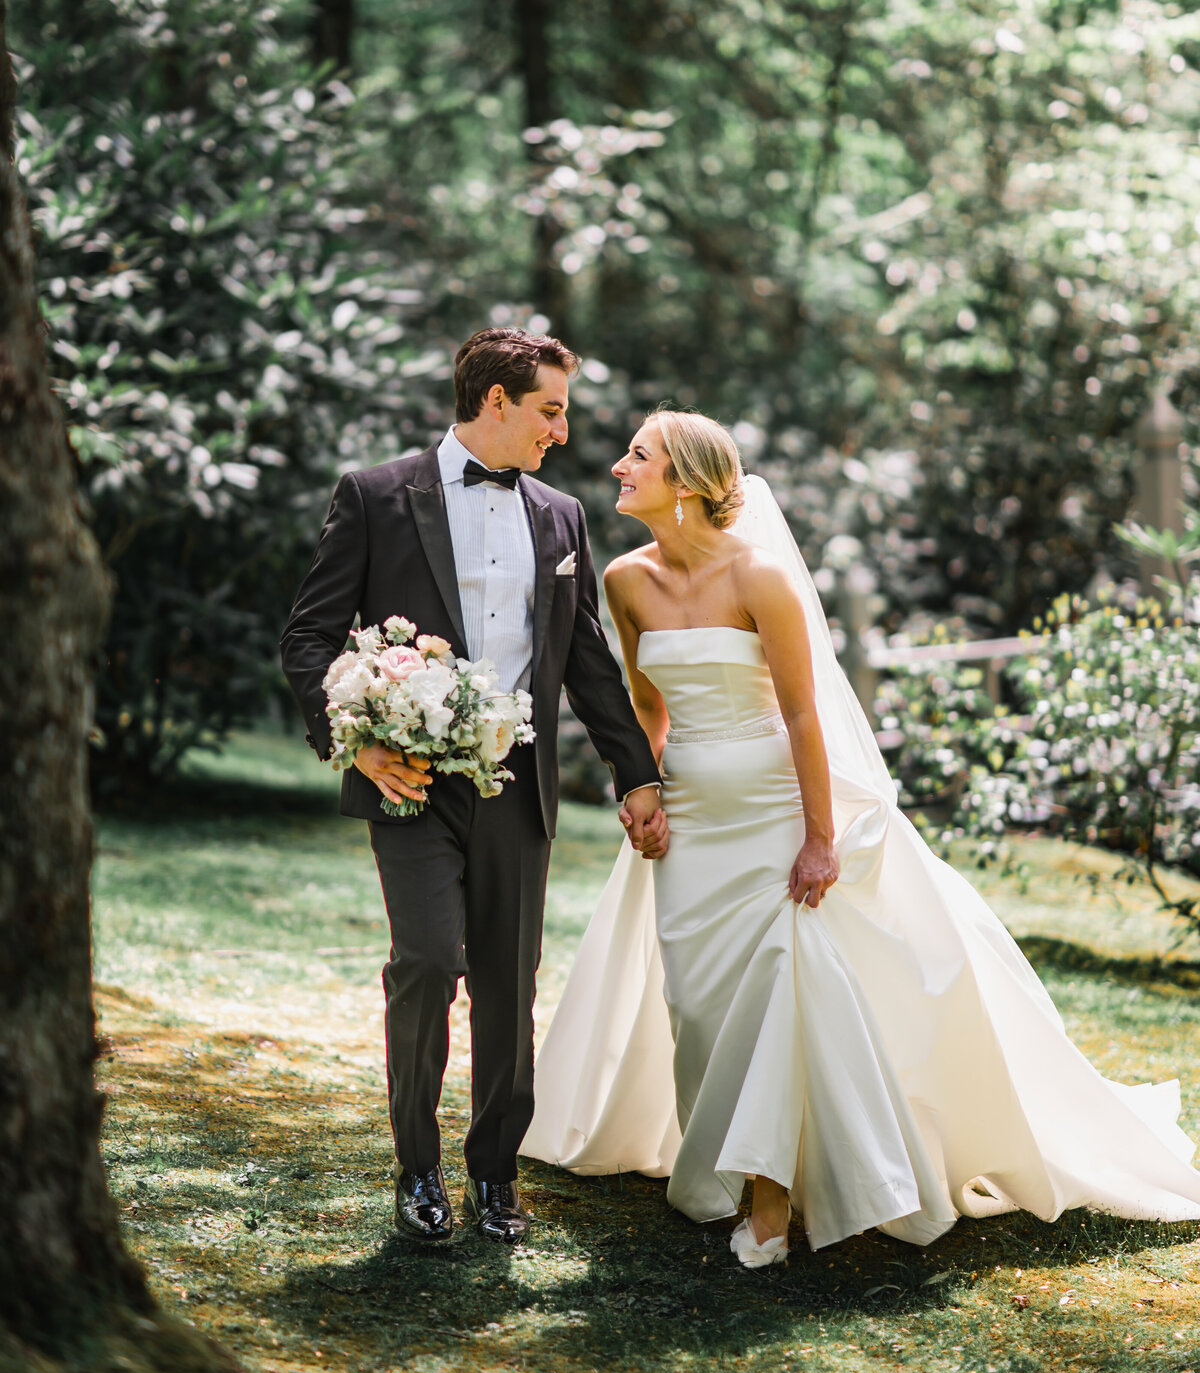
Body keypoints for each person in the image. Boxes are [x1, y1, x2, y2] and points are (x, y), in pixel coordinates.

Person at [522, 410, 1200, 1268]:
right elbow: (649, 703)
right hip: (691, 826)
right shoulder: (624, 579)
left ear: (687, 482)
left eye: (639, 455)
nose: (619, 466)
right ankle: (727, 1161)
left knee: (779, 987)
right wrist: (642, 788)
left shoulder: (759, 576)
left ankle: (770, 1204)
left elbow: (804, 712)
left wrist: (818, 836)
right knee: (697, 1004)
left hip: (773, 817)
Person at [280, 328, 667, 1248]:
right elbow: (308, 639)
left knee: (507, 984)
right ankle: (417, 1172)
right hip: (408, 781)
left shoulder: (562, 517)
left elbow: (588, 664)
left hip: (515, 786)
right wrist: (357, 747)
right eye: (550, 408)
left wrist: (638, 774)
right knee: (424, 962)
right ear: (496, 400)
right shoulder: (374, 496)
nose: (562, 430)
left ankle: (495, 1177)